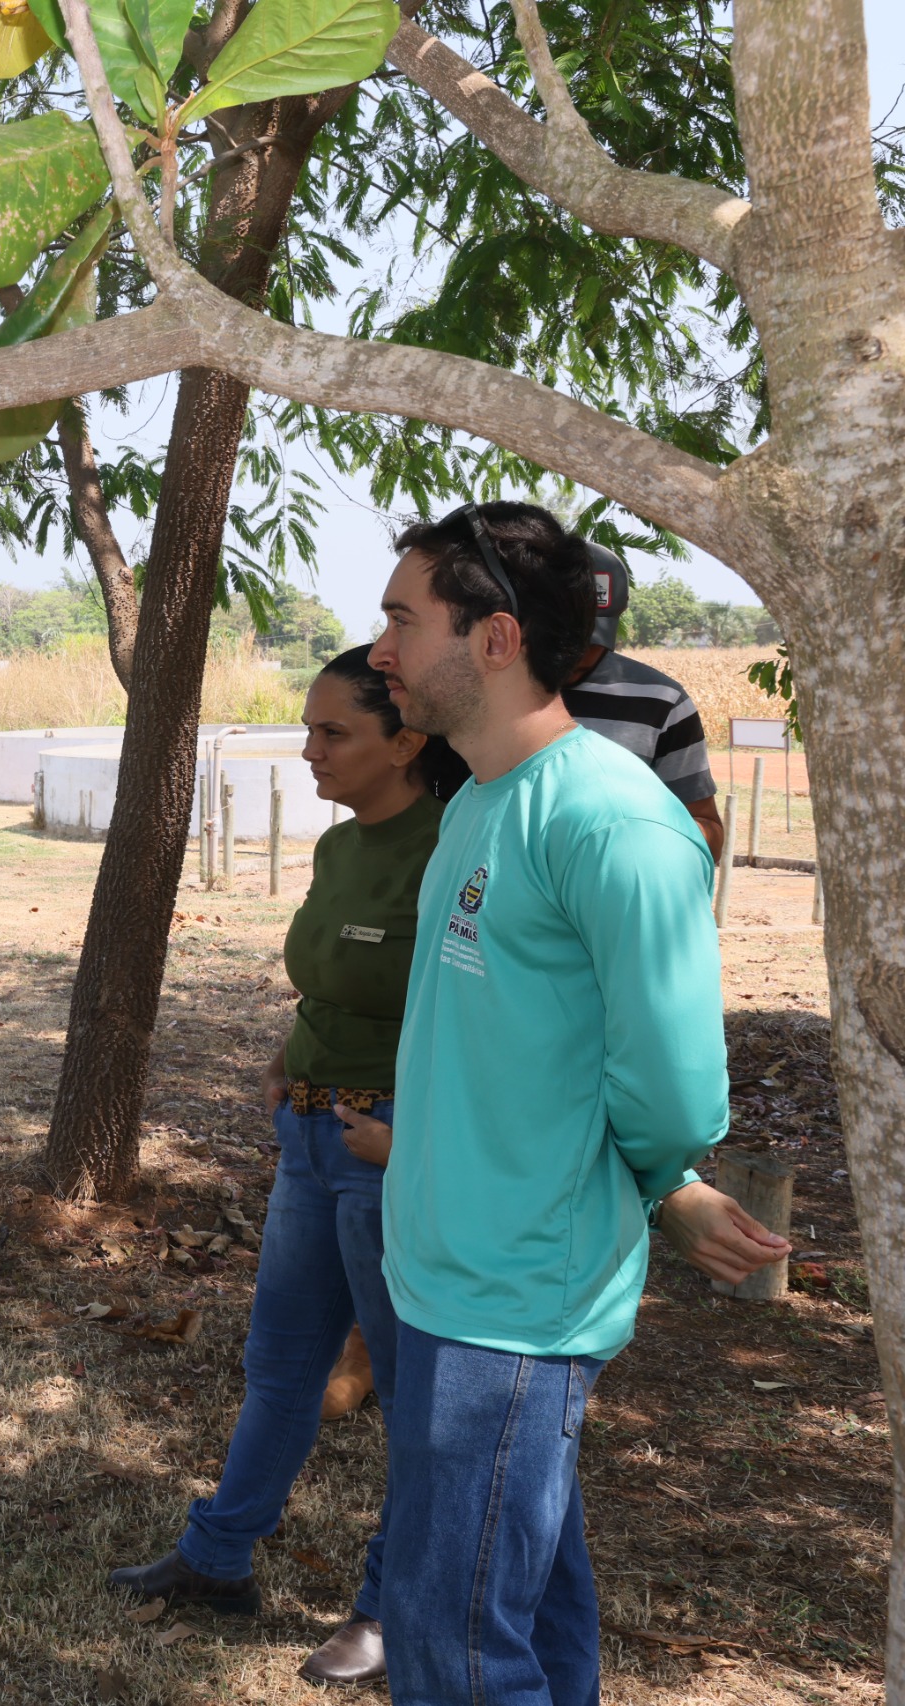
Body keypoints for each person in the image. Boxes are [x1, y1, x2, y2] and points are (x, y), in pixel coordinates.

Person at [365, 503, 786, 1705]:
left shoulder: (608, 817)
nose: (382, 645)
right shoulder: (481, 800)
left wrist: (668, 1177)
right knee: (527, 1617)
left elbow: (671, 1077)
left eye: (404, 617)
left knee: (453, 1646)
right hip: (450, 1274)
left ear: (493, 638)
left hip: (515, 1302)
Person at [108, 646, 467, 1685]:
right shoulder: (339, 845)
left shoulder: (456, 847)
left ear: (404, 742)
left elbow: (481, 1016)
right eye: (308, 730)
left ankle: (389, 1607)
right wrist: (284, 1058)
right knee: (279, 1366)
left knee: (409, 1395)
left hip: (390, 1147)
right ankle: (216, 1556)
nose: (308, 750)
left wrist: (415, 1139)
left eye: (332, 733)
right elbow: (329, 980)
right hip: (310, 1140)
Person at [560, 543, 727, 862]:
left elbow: (710, 836)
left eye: (592, 634)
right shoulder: (488, 691)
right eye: (566, 632)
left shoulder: (662, 703)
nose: (579, 649)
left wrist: (634, 829)